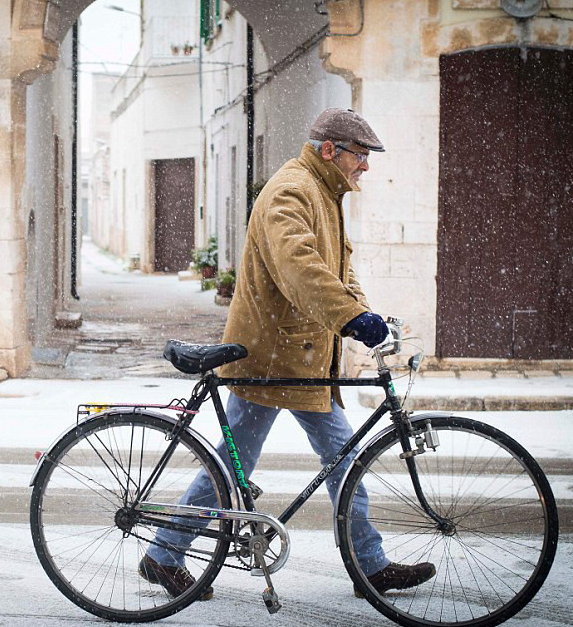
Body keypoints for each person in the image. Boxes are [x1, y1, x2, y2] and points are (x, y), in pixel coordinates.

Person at [138, 108, 436, 600]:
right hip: (278, 356)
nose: (365, 166)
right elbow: (300, 268)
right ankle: (370, 566)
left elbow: (336, 269)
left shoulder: (322, 192)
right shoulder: (292, 191)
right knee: (334, 459)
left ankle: (166, 554)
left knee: (259, 464)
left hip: (296, 354)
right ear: (329, 150)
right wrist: (349, 319)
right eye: (360, 155)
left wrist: (362, 314)